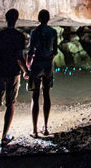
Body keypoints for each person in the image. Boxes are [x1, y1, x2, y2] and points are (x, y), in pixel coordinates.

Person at [0, 9, 30, 147]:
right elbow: (19, 57)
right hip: (13, 73)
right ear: (16, 19)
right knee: (10, 103)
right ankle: (5, 137)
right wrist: (26, 71)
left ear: (6, 19)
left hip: (0, 72)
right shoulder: (19, 36)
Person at [27, 9, 58, 137]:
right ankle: (45, 127)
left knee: (35, 96)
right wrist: (50, 60)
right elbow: (55, 51)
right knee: (46, 94)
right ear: (48, 19)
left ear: (39, 19)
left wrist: (28, 66)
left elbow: (30, 51)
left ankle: (34, 130)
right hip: (48, 65)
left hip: (37, 64)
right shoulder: (53, 32)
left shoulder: (34, 32)